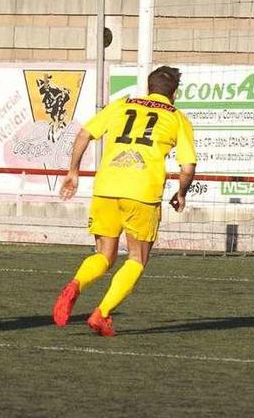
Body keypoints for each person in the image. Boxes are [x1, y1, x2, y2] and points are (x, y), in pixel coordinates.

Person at [52, 66, 196, 337]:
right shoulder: (177, 117)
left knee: (103, 256)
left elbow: (84, 134)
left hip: (106, 187)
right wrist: (181, 192)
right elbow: (187, 166)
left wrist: (73, 171)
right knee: (136, 259)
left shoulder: (122, 104)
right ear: (174, 94)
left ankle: (75, 284)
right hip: (142, 193)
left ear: (148, 87)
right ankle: (102, 313)